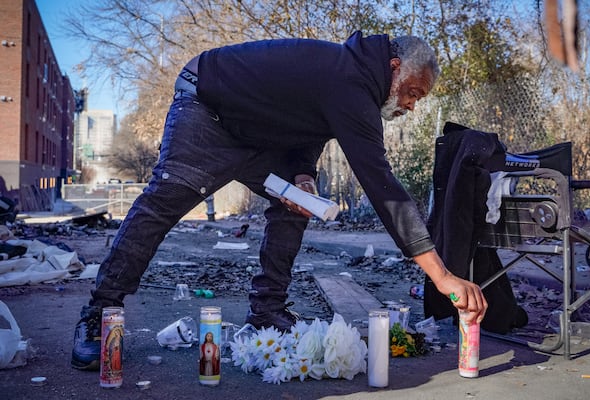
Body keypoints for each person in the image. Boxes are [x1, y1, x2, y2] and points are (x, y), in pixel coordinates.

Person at [71, 31, 488, 370]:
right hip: (208, 107)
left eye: (418, 99)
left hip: (258, 134)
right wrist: (441, 275)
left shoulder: (351, 79)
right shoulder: (352, 82)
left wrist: (302, 174)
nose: (411, 106)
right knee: (165, 201)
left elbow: (308, 128)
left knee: (296, 205)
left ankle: (267, 310)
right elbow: (382, 186)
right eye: (412, 92)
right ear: (394, 69)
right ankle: (99, 313)